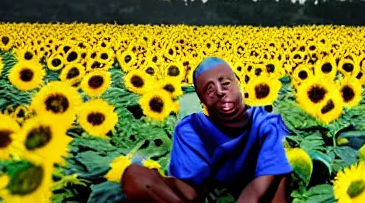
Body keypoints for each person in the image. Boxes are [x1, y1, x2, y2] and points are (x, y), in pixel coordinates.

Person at [121, 57, 293, 202]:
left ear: (238, 84)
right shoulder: (191, 128)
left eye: (225, 83)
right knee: (135, 177)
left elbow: (256, 189)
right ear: (203, 101)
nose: (219, 92)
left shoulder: (264, 123)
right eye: (209, 89)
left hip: (255, 197)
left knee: (286, 168)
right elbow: (190, 191)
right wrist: (157, 181)